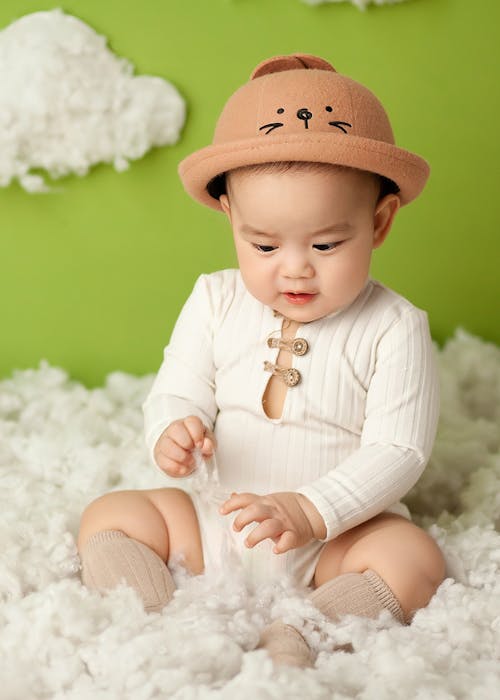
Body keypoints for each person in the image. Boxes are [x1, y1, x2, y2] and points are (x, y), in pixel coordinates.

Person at [78, 53, 446, 667]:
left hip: (336, 539)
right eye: (264, 244)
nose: (295, 267)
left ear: (379, 223)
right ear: (231, 218)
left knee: (415, 561)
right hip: (213, 520)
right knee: (111, 514)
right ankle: (156, 624)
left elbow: (399, 451)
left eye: (328, 244)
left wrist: (311, 509)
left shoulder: (395, 327)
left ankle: (305, 633)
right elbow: (177, 386)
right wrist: (173, 427)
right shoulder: (214, 298)